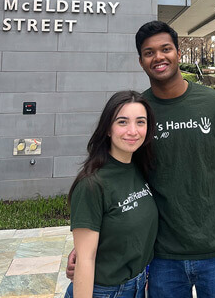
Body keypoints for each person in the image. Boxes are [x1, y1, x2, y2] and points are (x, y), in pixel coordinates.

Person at [66, 21, 215, 297]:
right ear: (141, 61)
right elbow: (122, 178)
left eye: (166, 49)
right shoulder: (139, 115)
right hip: (162, 259)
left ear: (178, 52)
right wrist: (88, 242)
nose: (159, 57)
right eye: (149, 52)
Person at [66, 90, 158, 298]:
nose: (133, 131)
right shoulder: (92, 184)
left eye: (140, 122)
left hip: (138, 286)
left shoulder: (139, 168)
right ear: (108, 129)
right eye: (122, 122)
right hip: (104, 292)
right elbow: (85, 259)